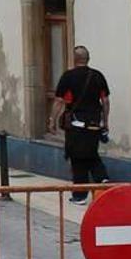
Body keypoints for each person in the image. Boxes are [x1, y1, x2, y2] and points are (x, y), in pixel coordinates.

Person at [47, 46, 111, 205]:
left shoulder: (68, 77)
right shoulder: (97, 76)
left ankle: (80, 194)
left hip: (75, 124)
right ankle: (102, 179)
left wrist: (52, 120)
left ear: (74, 59)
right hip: (94, 124)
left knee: (76, 157)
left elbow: (59, 101)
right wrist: (105, 121)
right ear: (87, 59)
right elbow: (105, 100)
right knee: (90, 152)